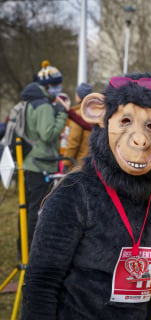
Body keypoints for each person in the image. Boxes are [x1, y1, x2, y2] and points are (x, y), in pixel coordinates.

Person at [22, 72, 151, 320]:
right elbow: (41, 283)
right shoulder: (75, 192)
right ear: (100, 116)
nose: (140, 139)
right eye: (125, 121)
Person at [22, 60, 69, 250]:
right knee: (37, 210)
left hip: (30, 163)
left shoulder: (32, 101)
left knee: (29, 209)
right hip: (40, 165)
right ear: (48, 86)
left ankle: (25, 247)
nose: (59, 88)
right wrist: (61, 114)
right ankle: (33, 249)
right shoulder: (43, 106)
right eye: (56, 85)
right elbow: (48, 134)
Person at [61, 82, 94, 172]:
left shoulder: (79, 114)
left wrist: (66, 163)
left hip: (78, 164)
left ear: (78, 96)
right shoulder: (94, 113)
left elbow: (73, 141)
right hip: (90, 162)